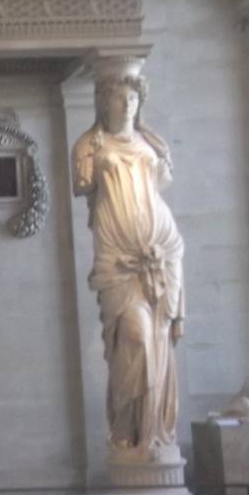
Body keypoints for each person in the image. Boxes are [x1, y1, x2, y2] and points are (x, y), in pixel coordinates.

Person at [72, 70, 184, 459]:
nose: (127, 105)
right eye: (118, 97)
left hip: (163, 252)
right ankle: (128, 431)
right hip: (116, 258)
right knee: (133, 338)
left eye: (132, 98)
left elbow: (162, 182)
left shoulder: (152, 143)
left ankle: (155, 436)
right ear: (103, 103)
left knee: (160, 343)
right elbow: (82, 183)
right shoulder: (90, 145)